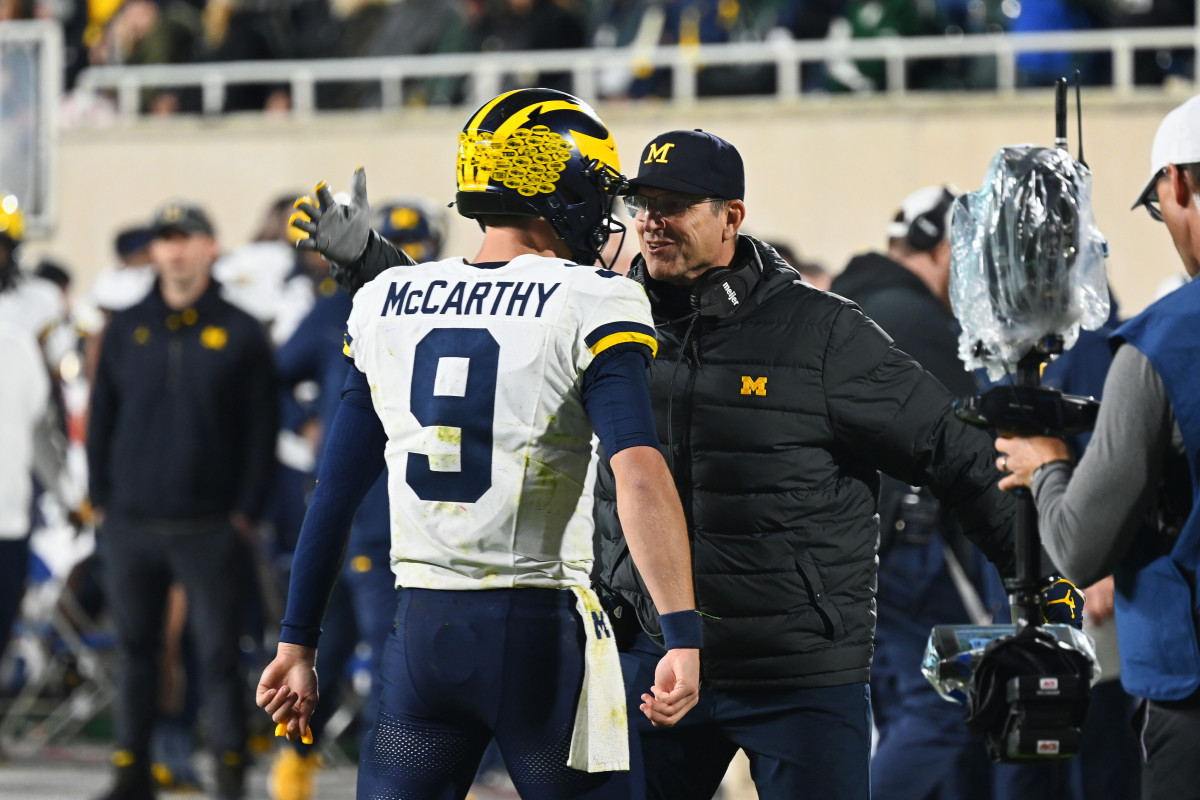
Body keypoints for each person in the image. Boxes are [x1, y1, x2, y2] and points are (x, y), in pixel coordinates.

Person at [588, 130, 1071, 800]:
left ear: (732, 215)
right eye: (643, 202)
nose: (651, 221)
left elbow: (948, 447)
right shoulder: (607, 321)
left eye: (674, 204)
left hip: (797, 670)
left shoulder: (823, 333)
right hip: (654, 657)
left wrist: (1039, 578)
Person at [257, 87, 701, 800]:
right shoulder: (593, 299)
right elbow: (639, 475)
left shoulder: (387, 300)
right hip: (539, 638)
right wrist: (682, 630)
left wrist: (296, 639)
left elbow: (334, 489)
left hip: (418, 642)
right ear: (558, 189)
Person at [996, 92, 1200, 800]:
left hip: (1190, 689)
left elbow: (1081, 548)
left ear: (1176, 183)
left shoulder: (1164, 342)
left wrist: (1048, 467)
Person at [87, 201, 278, 800]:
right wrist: (102, 502)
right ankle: (130, 770)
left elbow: (261, 431)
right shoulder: (125, 327)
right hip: (133, 522)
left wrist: (244, 512)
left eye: (186, 239)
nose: (175, 251)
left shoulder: (241, 330)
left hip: (210, 523)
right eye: (166, 240)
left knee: (219, 654)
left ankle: (228, 774)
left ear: (209, 247)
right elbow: (101, 420)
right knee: (136, 651)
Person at [832, 185, 1006, 800]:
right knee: (943, 709)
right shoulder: (914, 320)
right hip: (907, 548)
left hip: (850, 549)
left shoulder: (847, 300)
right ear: (941, 251)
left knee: (898, 711)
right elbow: (976, 445)